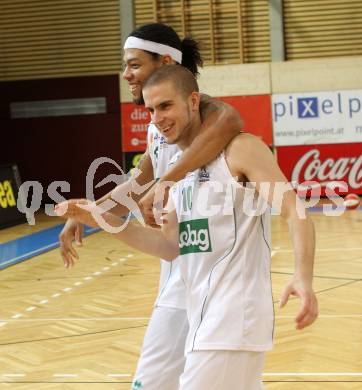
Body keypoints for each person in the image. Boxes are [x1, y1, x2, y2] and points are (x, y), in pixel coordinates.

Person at [57, 65, 318, 389]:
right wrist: (97, 217)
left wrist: (302, 276)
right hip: (203, 318)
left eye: (166, 106)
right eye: (151, 109)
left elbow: (295, 209)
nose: (157, 117)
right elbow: (169, 247)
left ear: (193, 102)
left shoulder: (241, 149)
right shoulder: (176, 172)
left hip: (233, 318)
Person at [59, 23, 243, 390]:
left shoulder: (207, 115)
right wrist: (88, 212)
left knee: (157, 382)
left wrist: (167, 182)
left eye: (133, 64)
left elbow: (231, 119)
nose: (125, 74)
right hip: (179, 271)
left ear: (165, 61)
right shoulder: (158, 129)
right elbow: (139, 181)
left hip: (213, 272)